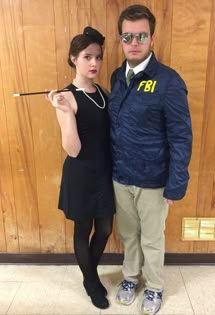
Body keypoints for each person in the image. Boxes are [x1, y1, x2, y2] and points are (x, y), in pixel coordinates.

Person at [108, 5, 192, 315]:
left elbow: (181, 136)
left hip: (154, 179)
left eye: (140, 35)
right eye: (127, 36)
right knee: (129, 234)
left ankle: (154, 286)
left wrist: (176, 184)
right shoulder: (118, 76)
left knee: (152, 239)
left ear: (152, 38)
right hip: (121, 176)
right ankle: (131, 277)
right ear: (121, 39)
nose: (134, 42)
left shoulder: (168, 82)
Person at [48, 27, 115, 310]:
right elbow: (73, 150)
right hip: (82, 173)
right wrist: (63, 111)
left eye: (98, 57)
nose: (95, 64)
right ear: (73, 58)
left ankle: (90, 273)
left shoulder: (103, 92)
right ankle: (90, 281)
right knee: (83, 229)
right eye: (87, 56)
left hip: (105, 172)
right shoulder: (66, 97)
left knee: (105, 228)